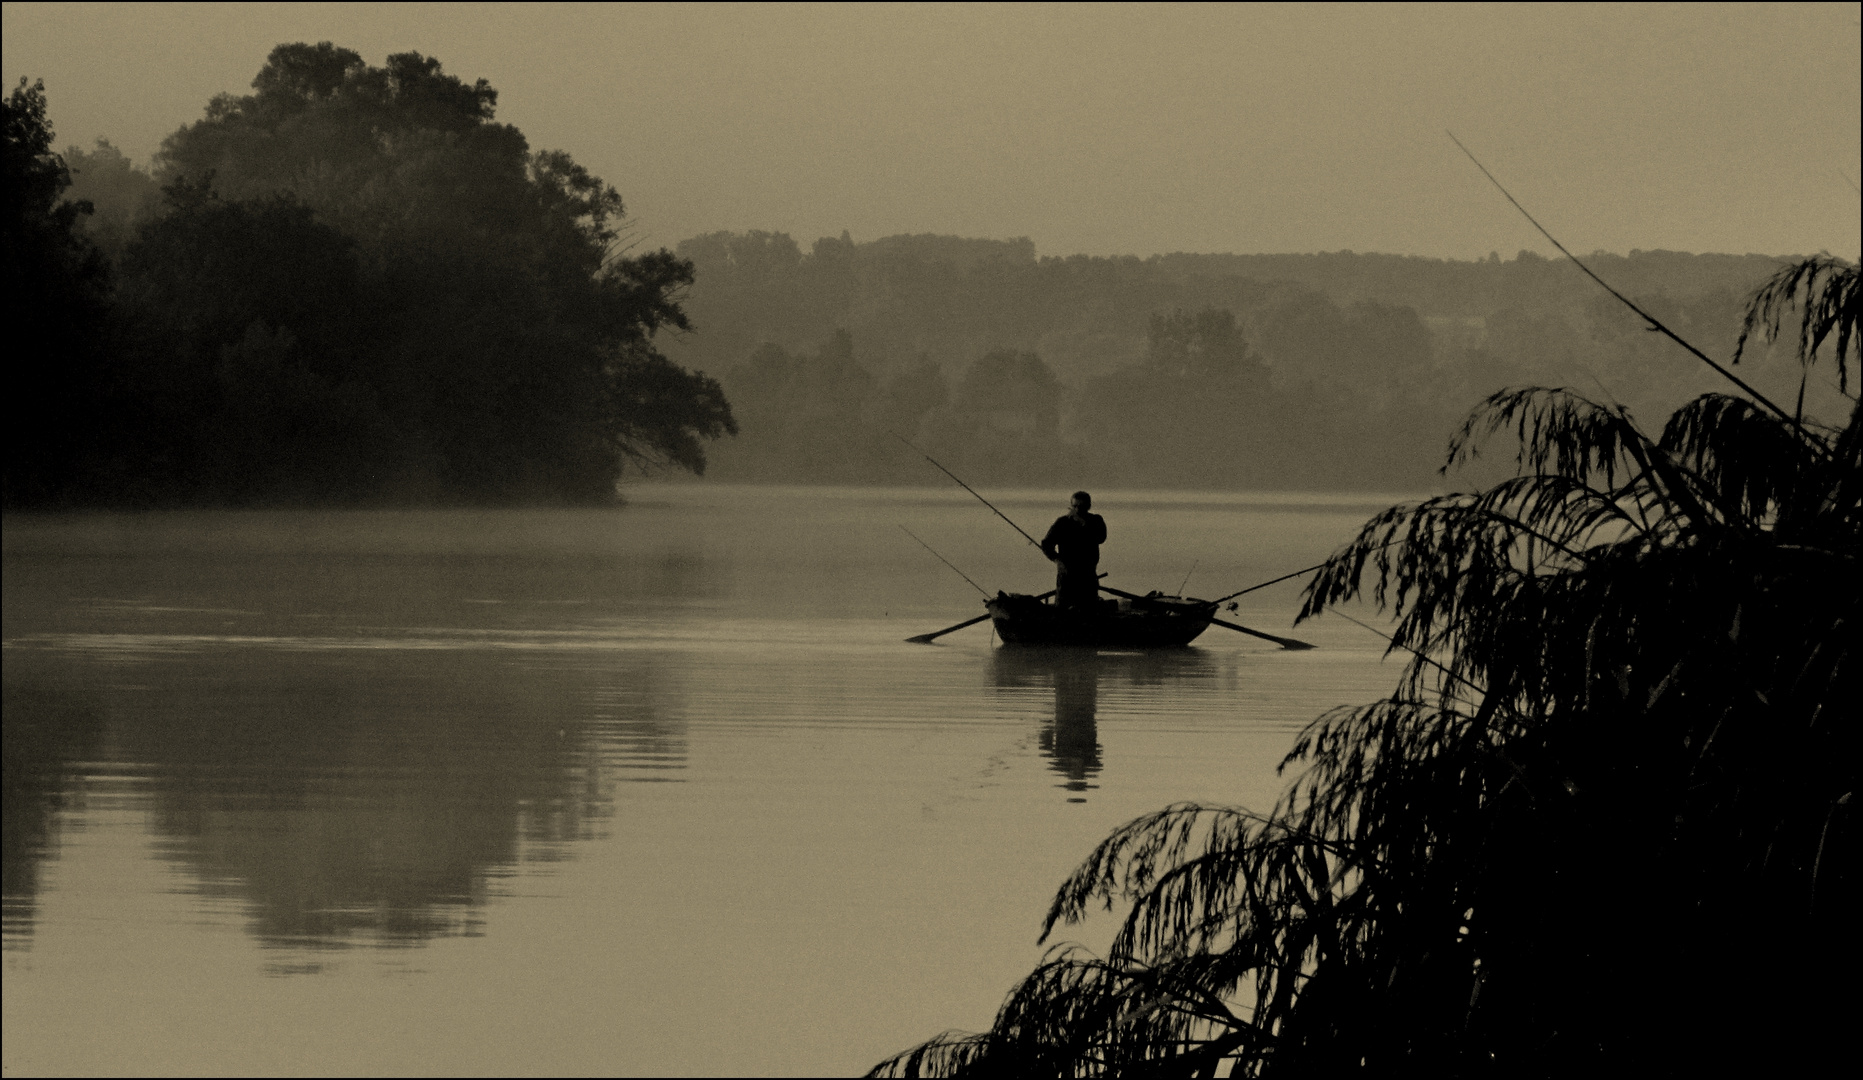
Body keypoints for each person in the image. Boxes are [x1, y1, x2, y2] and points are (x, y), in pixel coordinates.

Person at [1041, 491, 1106, 611]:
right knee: (1062, 610)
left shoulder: (1096, 520)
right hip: (1066, 574)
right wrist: (1057, 560)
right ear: (1071, 506)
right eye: (1074, 506)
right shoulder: (1062, 522)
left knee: (1088, 609)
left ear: (1088, 507)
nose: (1077, 510)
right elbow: (1046, 544)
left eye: (1081, 507)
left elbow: (1101, 537)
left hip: (1088, 574)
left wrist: (1083, 523)